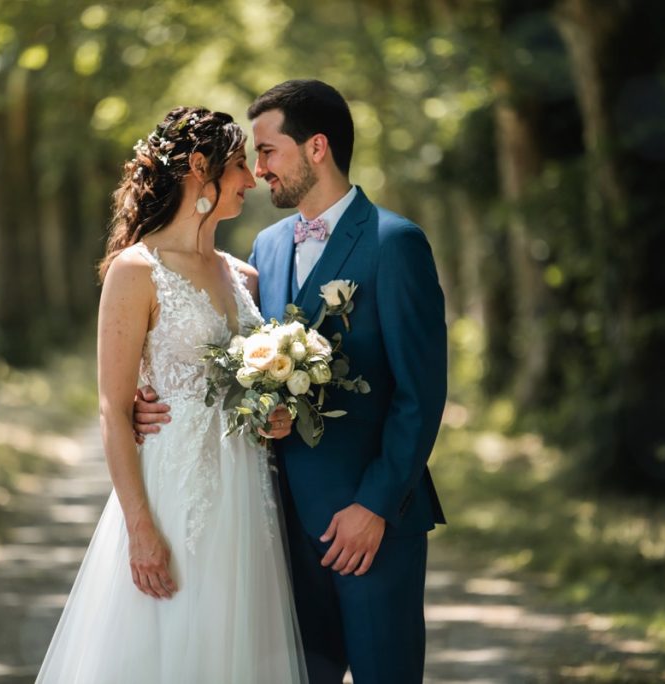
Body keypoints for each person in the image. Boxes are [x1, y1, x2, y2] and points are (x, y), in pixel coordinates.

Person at [135, 80, 448, 683]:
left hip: (371, 525)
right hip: (277, 529)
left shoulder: (395, 243)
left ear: (317, 149)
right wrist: (142, 403)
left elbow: (421, 393)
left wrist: (375, 506)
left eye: (269, 151)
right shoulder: (266, 249)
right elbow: (238, 368)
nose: (257, 170)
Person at [35, 106, 307, 683]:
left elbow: (244, 387)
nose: (251, 179)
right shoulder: (136, 271)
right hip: (171, 495)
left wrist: (273, 413)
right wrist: (139, 527)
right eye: (239, 164)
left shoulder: (244, 276)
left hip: (246, 495)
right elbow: (112, 409)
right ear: (199, 167)